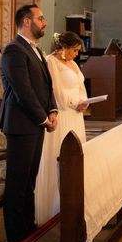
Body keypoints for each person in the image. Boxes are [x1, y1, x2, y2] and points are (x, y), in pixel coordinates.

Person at [0, 4, 58, 242]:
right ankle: (15, 237)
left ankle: (27, 228)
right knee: (17, 182)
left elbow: (45, 85)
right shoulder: (14, 50)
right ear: (26, 21)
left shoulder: (35, 50)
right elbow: (23, 91)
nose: (44, 22)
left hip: (34, 123)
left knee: (30, 179)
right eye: (40, 18)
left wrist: (52, 109)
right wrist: (42, 118)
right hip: (22, 124)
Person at [35, 31, 88, 225]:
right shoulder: (51, 62)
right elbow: (55, 91)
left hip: (76, 115)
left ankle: (72, 203)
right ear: (64, 48)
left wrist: (85, 102)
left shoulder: (73, 64)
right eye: (74, 50)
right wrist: (75, 103)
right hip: (62, 114)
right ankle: (54, 206)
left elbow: (80, 85)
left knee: (75, 158)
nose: (76, 54)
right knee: (60, 157)